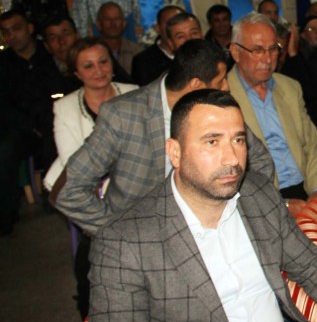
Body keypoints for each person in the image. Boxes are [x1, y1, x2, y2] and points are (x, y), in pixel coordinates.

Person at [87, 89, 317, 322]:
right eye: (212, 142)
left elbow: (312, 266)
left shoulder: (257, 194)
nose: (232, 159)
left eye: (238, 140)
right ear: (175, 152)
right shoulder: (125, 242)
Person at [55, 38, 272, 235]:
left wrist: (238, 212)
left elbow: (261, 161)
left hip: (210, 227)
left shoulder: (216, 109)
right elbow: (69, 191)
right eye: (221, 80)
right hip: (145, 232)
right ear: (196, 86)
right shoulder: (123, 116)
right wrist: (118, 234)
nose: (227, 87)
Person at [43, 37, 138, 319]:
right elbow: (73, 163)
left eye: (103, 62)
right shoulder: (65, 107)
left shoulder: (135, 93)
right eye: (88, 66)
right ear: (76, 73)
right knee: (96, 250)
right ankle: (92, 311)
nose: (98, 70)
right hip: (90, 190)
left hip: (134, 183)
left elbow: (148, 147)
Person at [227, 13, 317, 218]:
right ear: (236, 52)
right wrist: (284, 205)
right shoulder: (223, 96)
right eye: (257, 50)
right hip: (258, 201)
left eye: (273, 49)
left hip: (305, 189)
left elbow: (312, 146)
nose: (267, 59)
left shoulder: (289, 88)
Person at [0, 9, 72, 232]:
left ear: (30, 28)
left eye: (16, 28)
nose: (12, 35)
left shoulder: (49, 53)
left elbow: (61, 90)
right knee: (5, 149)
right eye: (6, 32)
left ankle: (54, 195)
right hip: (22, 128)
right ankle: (6, 216)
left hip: (52, 119)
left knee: (56, 132)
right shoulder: (3, 64)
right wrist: (29, 125)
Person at [132, 11, 204, 85]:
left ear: (202, 35)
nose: (189, 39)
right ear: (171, 43)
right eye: (181, 36)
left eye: (194, 33)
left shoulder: (211, 58)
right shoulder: (148, 63)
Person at [131, 5, 185, 85]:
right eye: (170, 24)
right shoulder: (143, 61)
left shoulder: (199, 51)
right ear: (158, 28)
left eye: (180, 23)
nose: (176, 28)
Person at [96, 1, 142, 78]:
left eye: (117, 19)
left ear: (124, 24)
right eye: (107, 19)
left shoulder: (137, 51)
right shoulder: (90, 52)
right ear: (98, 25)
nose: (113, 23)